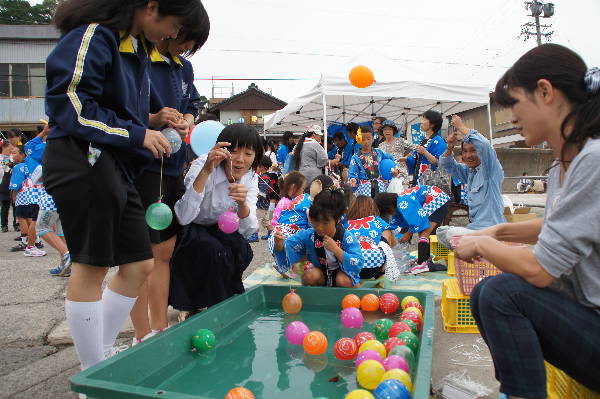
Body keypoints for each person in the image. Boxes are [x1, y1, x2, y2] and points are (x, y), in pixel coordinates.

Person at [42, 0, 206, 371]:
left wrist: (148, 124)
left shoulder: (137, 50)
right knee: (91, 266)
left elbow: (122, 113)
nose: (173, 36)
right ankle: (92, 373)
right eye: (176, 26)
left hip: (116, 165)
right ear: (151, 7)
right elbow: (70, 103)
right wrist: (138, 133)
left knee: (139, 264)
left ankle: (98, 358)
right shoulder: (95, 35)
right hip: (81, 159)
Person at [453, 43, 600, 399]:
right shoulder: (562, 166)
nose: (513, 118)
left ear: (546, 92)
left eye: (515, 104)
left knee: (502, 293)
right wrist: (499, 230)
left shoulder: (592, 161)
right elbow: (558, 225)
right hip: (587, 321)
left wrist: (486, 244)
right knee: (487, 291)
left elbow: (540, 269)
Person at [130, 24, 208, 345]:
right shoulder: (139, 58)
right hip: (143, 164)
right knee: (139, 258)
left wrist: (188, 120)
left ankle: (159, 329)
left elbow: (192, 105)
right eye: (186, 40)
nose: (186, 49)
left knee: (165, 251)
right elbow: (120, 111)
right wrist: (153, 118)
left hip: (173, 165)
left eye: (192, 45)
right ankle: (141, 335)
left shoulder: (183, 68)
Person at [169, 124, 262, 318]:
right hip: (191, 227)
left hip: (219, 227)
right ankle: (191, 303)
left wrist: (243, 203)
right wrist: (205, 172)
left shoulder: (251, 177)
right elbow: (184, 216)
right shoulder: (203, 164)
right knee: (210, 249)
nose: (240, 160)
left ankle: (221, 300)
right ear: (222, 150)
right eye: (234, 151)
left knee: (241, 250)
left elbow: (248, 230)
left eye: (248, 153)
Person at [436, 114, 505, 248]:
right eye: (465, 151)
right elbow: (448, 165)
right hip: (475, 229)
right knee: (442, 233)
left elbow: (485, 145)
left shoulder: (490, 169)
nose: (468, 156)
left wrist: (461, 127)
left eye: (473, 151)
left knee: (448, 234)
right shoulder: (469, 172)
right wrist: (449, 147)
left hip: (491, 231)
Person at [283, 188, 363, 287]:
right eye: (316, 221)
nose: (319, 227)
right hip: (321, 275)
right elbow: (290, 243)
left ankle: (354, 289)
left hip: (342, 274)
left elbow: (358, 263)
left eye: (325, 222)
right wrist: (280, 245)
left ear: (337, 220)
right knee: (309, 276)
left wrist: (336, 250)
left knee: (343, 280)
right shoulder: (309, 234)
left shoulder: (347, 238)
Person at [375, 185, 450, 274]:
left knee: (424, 233)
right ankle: (425, 260)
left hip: (436, 200)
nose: (389, 214)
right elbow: (401, 222)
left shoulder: (404, 201)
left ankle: (421, 264)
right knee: (424, 232)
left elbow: (416, 220)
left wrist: (408, 234)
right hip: (433, 199)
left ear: (388, 207)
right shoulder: (399, 203)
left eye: (387, 212)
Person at [346, 195, 400, 281]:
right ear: (372, 208)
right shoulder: (376, 220)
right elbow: (393, 243)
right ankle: (382, 272)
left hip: (350, 268)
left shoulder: (346, 224)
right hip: (373, 267)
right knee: (386, 234)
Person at [10, 145, 45, 256]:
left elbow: (16, 184)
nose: (12, 155)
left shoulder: (18, 167)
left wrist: (14, 195)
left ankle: (26, 242)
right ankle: (36, 240)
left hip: (23, 196)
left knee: (22, 218)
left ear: (22, 154)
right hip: (35, 196)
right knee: (31, 219)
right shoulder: (33, 165)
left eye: (15, 153)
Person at [348, 127, 398, 198]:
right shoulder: (355, 157)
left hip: (380, 186)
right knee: (366, 208)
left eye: (368, 139)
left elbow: (393, 159)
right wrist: (353, 179)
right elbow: (353, 173)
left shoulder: (379, 152)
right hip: (364, 188)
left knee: (380, 207)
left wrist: (396, 169)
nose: (366, 142)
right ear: (359, 139)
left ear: (372, 138)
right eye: (363, 139)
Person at [406, 110, 447, 186]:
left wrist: (425, 152)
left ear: (432, 124)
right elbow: (416, 158)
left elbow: (439, 162)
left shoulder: (438, 140)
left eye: (424, 119)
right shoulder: (424, 140)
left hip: (430, 179)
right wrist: (405, 159)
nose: (421, 122)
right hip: (419, 176)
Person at [255, 155, 278, 241]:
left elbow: (262, 192)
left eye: (257, 165)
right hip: (265, 203)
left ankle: (254, 235)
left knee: (256, 219)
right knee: (265, 220)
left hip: (261, 203)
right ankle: (271, 233)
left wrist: (254, 195)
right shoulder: (264, 177)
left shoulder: (264, 178)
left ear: (262, 167)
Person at [0, 140, 17, 233]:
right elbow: (9, 166)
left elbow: (13, 166)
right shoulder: (2, 158)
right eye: (10, 148)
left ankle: (16, 224)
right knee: (5, 205)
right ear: (4, 147)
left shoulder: (11, 157)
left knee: (15, 204)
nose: (11, 150)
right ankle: (4, 225)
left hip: (13, 182)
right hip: (3, 183)